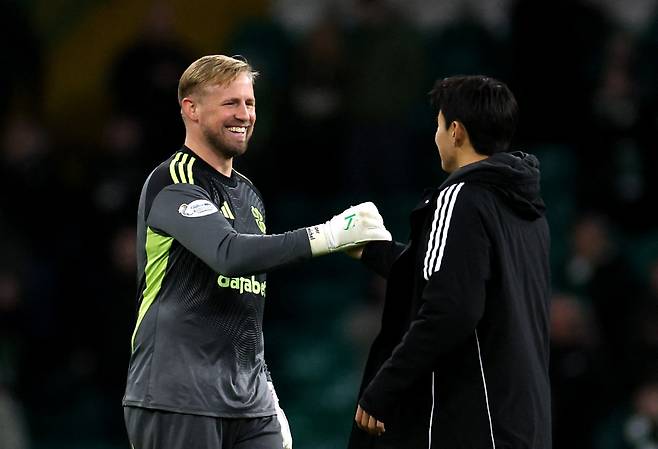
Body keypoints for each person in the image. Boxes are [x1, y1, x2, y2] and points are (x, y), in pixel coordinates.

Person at [122, 54, 391, 449]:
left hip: (250, 404)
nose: (244, 115)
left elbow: (246, 304)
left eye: (249, 103)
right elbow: (228, 255)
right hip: (177, 397)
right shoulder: (174, 180)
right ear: (191, 109)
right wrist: (330, 235)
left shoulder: (250, 195)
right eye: (230, 103)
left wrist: (267, 391)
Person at [348, 75, 552, 448]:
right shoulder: (528, 208)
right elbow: (453, 275)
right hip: (525, 421)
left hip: (476, 422)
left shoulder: (459, 197)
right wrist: (374, 250)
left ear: (455, 131)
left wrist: (383, 388)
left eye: (439, 125)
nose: (437, 136)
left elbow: (450, 308)